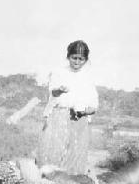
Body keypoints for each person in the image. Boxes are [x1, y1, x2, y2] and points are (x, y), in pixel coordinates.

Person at [36, 40, 99, 175]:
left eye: (81, 59)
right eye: (74, 58)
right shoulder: (59, 72)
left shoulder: (88, 77)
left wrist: (87, 111)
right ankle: (47, 183)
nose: (77, 62)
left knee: (75, 156)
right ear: (68, 57)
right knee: (53, 153)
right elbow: (53, 92)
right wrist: (60, 90)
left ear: (86, 60)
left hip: (79, 120)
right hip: (59, 117)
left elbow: (94, 105)